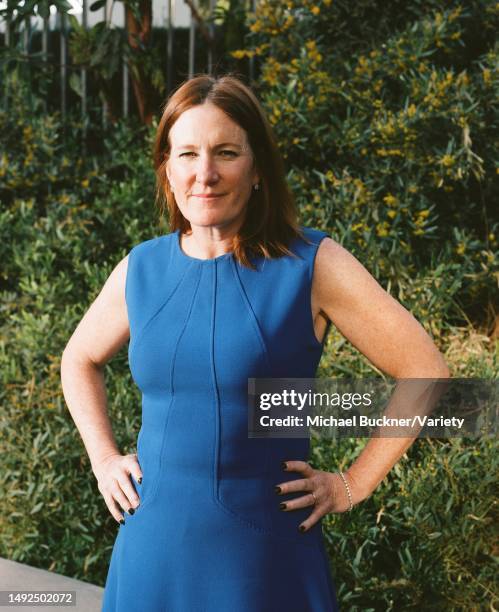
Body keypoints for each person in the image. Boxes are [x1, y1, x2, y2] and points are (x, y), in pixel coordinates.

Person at [60, 73, 449, 611]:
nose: (205, 173)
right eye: (188, 154)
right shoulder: (140, 269)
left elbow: (428, 372)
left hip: (262, 559)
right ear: (167, 170)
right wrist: (103, 458)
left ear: (258, 167)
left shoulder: (312, 264)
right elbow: (78, 358)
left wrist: (351, 484)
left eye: (226, 152)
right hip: (150, 551)